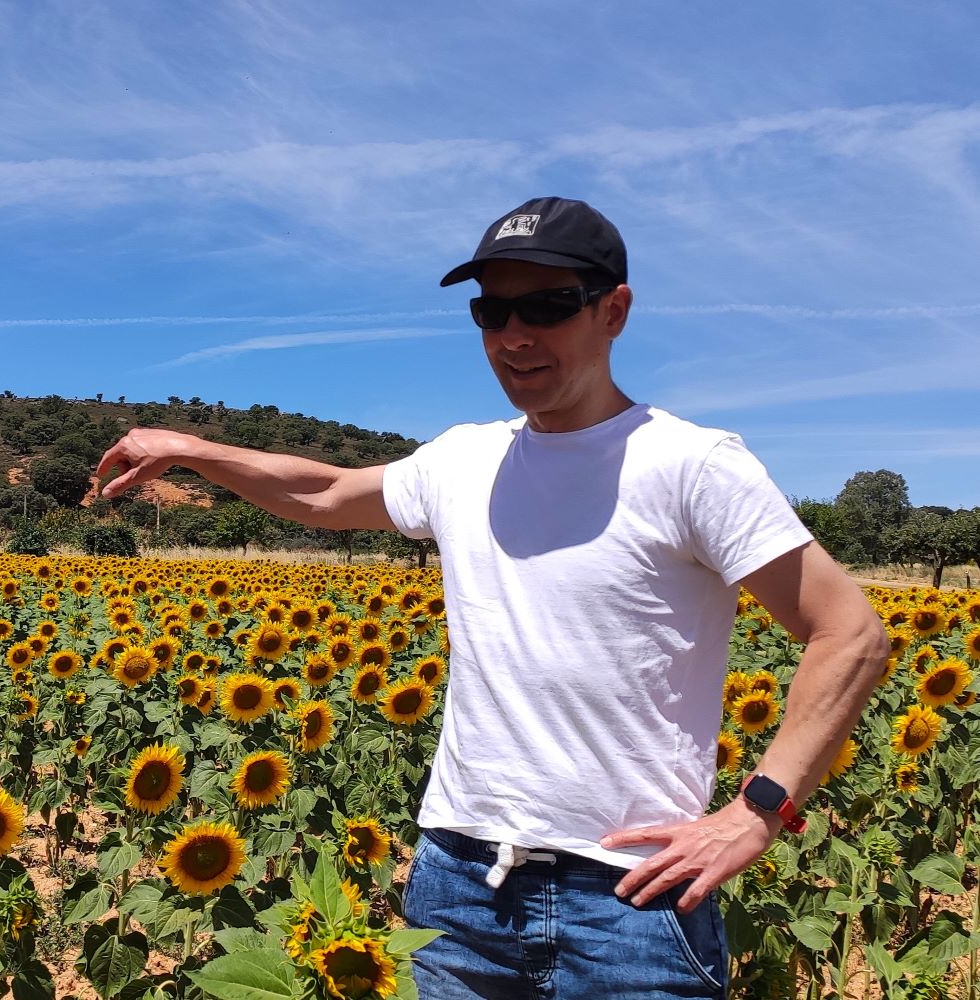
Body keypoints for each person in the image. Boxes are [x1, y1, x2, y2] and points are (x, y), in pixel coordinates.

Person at [94, 196, 888, 999]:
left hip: (629, 900)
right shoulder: (462, 460)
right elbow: (329, 493)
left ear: (614, 311)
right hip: (459, 883)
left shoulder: (693, 465)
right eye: (493, 310)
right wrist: (192, 450)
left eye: (547, 306)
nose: (515, 335)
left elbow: (849, 635)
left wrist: (758, 811)